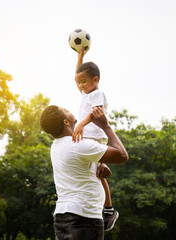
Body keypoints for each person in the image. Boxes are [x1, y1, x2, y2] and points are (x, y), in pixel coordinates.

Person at [40, 105, 128, 240]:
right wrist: (106, 126)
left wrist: (100, 163)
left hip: (62, 218)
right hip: (84, 218)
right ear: (66, 122)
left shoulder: (56, 147)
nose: (70, 109)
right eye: (66, 110)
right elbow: (122, 155)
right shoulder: (79, 145)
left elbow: (81, 163)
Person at [72, 48, 118, 231]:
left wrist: (81, 124)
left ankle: (109, 209)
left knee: (99, 174)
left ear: (95, 80)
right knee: (94, 173)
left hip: (97, 138)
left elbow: (95, 113)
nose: (80, 85)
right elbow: (78, 75)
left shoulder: (97, 94)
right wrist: (80, 57)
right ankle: (105, 207)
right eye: (78, 83)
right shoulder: (86, 93)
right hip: (87, 138)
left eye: (83, 82)